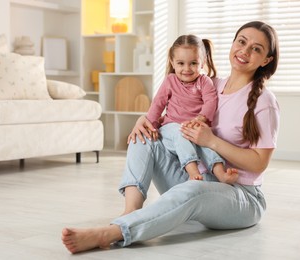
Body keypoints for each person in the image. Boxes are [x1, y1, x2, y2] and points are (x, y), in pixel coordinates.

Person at [62, 20, 280, 254]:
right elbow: (172, 114)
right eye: (242, 41)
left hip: (241, 196)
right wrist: (143, 121)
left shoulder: (264, 102)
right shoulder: (208, 84)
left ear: (266, 60)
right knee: (144, 137)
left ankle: (112, 233)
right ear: (233, 43)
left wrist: (211, 141)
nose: (245, 51)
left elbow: (259, 163)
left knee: (193, 191)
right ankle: (131, 212)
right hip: (200, 179)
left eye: (256, 49)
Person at [145, 34, 237, 183]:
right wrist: (151, 125)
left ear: (202, 63)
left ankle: (221, 174)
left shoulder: (204, 81)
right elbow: (158, 103)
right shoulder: (170, 80)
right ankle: (193, 172)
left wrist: (201, 119)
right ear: (172, 62)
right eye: (181, 63)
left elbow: (210, 100)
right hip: (171, 127)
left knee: (207, 145)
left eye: (193, 63)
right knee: (180, 134)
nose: (186, 69)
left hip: (194, 128)